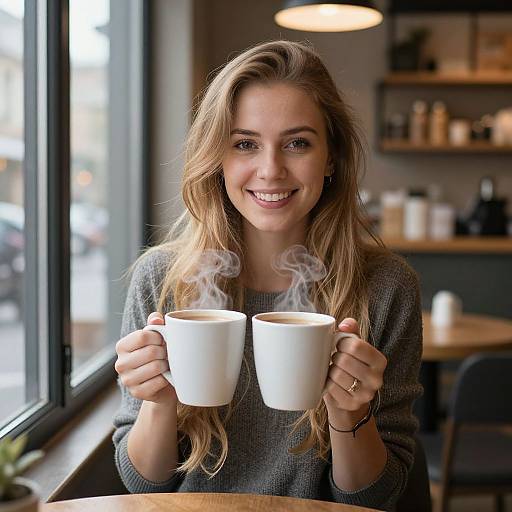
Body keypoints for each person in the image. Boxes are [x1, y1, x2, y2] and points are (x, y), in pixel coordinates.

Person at [113, 40, 423, 511]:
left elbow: (377, 495)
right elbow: (144, 486)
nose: (271, 169)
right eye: (245, 144)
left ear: (331, 158)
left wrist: (349, 414)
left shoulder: (385, 288)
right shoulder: (162, 280)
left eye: (297, 143)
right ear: (217, 158)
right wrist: (158, 403)